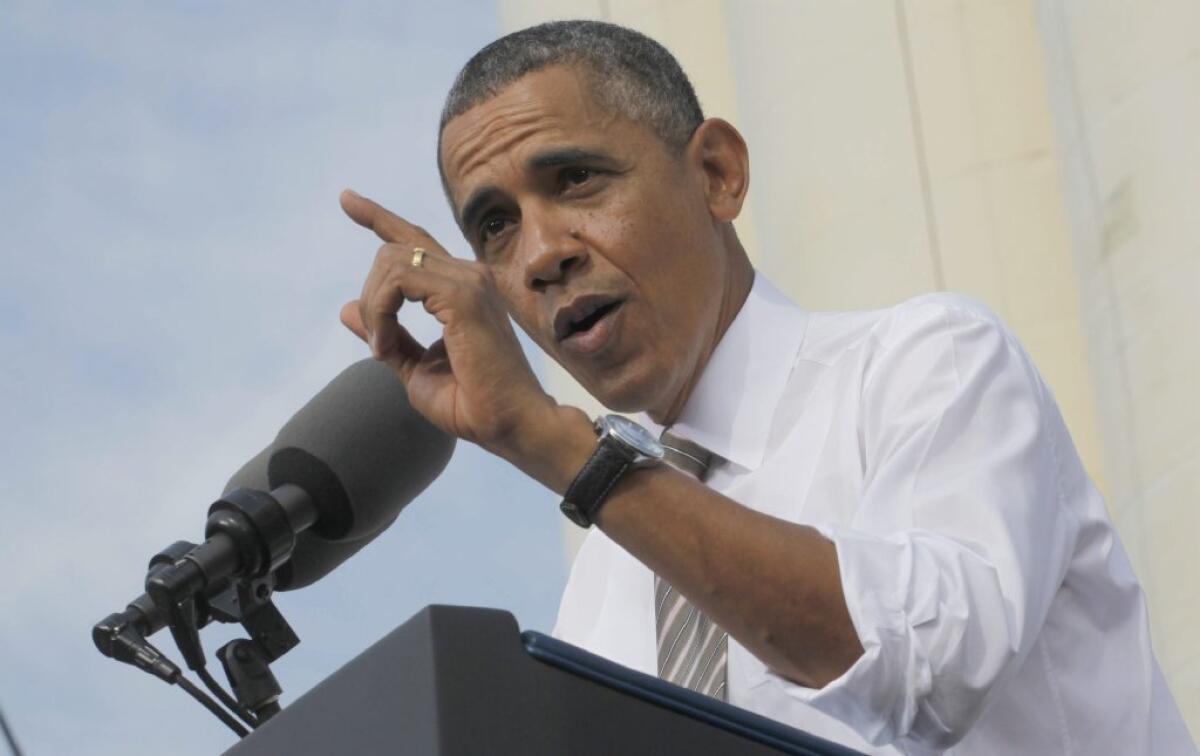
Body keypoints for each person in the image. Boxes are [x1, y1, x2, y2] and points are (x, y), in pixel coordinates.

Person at [336, 20, 1193, 755]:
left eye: (577, 180)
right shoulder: (606, 579)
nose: (540, 255)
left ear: (717, 173)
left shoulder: (929, 367)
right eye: (495, 225)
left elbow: (929, 679)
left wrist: (557, 445)